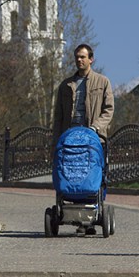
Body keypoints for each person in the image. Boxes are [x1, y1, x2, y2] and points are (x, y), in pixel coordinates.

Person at [52, 43, 114, 235]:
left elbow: (109, 110)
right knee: (70, 175)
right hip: (70, 140)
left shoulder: (102, 82)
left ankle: (91, 218)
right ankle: (77, 217)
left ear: (91, 59)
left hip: (94, 139)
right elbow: (59, 116)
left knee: (94, 176)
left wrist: (96, 127)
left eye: (83, 57)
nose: (79, 60)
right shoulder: (66, 85)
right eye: (77, 57)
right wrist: (56, 141)